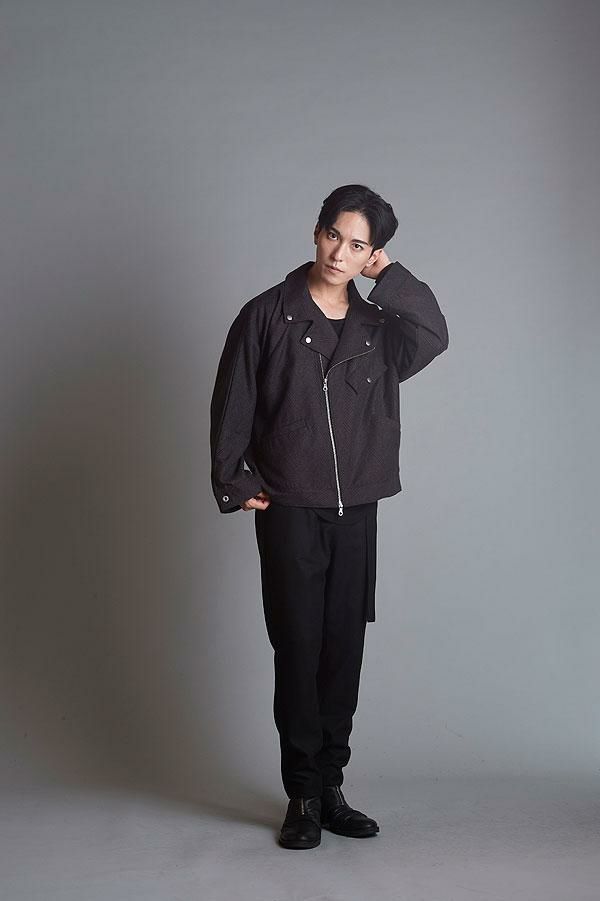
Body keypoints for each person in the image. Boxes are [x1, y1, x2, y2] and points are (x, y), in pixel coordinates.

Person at [210, 184, 449, 849]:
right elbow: (233, 400)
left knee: (344, 647)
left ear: (372, 254)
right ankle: (303, 795)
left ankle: (333, 786)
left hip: (356, 509)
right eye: (334, 235)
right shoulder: (267, 314)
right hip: (290, 506)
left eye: (359, 245)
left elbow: (434, 334)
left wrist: (389, 277)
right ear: (316, 233)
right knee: (298, 646)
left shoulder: (378, 329)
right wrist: (235, 480)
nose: (341, 253)